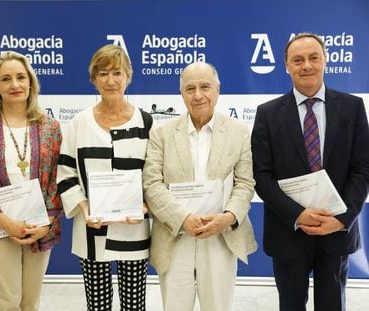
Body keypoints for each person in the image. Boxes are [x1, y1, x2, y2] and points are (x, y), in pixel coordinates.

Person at [251, 32, 369, 311]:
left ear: (326, 61)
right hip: (288, 231)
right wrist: (297, 214)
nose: (306, 65)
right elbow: (262, 177)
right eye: (298, 59)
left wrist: (341, 220)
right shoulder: (267, 114)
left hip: (335, 232)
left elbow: (362, 169)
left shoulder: (352, 108)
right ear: (287, 66)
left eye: (313, 58)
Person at [143, 62, 257, 311]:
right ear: (181, 93)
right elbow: (151, 184)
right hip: (175, 234)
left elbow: (245, 183)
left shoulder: (238, 131)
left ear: (218, 89)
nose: (197, 95)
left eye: (205, 87)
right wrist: (183, 218)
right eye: (189, 88)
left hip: (221, 235)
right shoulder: (161, 133)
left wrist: (227, 218)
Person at [0, 51, 63, 310]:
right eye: (6, 79)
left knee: (30, 302)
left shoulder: (50, 127)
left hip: (38, 226)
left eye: (20, 77)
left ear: (31, 82)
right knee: (6, 301)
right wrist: (7, 222)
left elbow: (58, 178)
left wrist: (46, 223)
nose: (15, 85)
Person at [57, 44, 153, 311]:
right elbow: (66, 173)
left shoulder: (146, 123)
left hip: (133, 228)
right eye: (103, 73)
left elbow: (155, 175)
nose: (110, 80)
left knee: (134, 305)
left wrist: (146, 207)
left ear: (128, 76)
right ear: (93, 78)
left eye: (117, 73)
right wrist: (85, 209)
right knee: (97, 305)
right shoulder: (79, 122)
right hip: (91, 229)